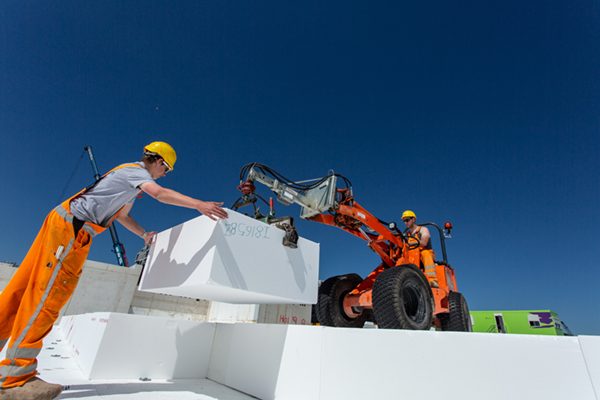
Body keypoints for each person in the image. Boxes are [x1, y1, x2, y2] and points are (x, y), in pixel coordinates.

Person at [0, 142, 228, 400]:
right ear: (159, 162)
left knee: (20, 290)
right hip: (71, 231)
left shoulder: (128, 183)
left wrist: (143, 234)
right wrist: (199, 204)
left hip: (62, 224)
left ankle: (11, 371)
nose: (166, 173)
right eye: (167, 168)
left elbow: (121, 216)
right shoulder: (136, 173)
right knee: (46, 298)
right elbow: (160, 194)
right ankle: (14, 378)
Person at [402, 210, 439, 288]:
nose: (406, 222)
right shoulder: (405, 234)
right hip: (411, 256)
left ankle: (432, 280)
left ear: (413, 220)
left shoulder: (423, 230)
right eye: (404, 221)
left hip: (424, 255)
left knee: (425, 253)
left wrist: (408, 244)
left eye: (407, 220)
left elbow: (423, 242)